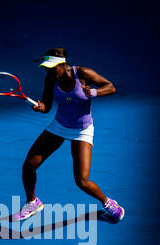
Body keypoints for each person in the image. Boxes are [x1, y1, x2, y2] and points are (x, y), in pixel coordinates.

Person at [14, 47, 124, 222]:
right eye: (46, 67)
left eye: (51, 67)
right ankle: (32, 202)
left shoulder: (82, 73)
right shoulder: (50, 79)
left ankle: (108, 203)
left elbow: (110, 87)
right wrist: (41, 108)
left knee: (82, 181)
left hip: (82, 130)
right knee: (28, 166)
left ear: (62, 64)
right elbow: (47, 107)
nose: (47, 70)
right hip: (59, 125)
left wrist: (93, 92)